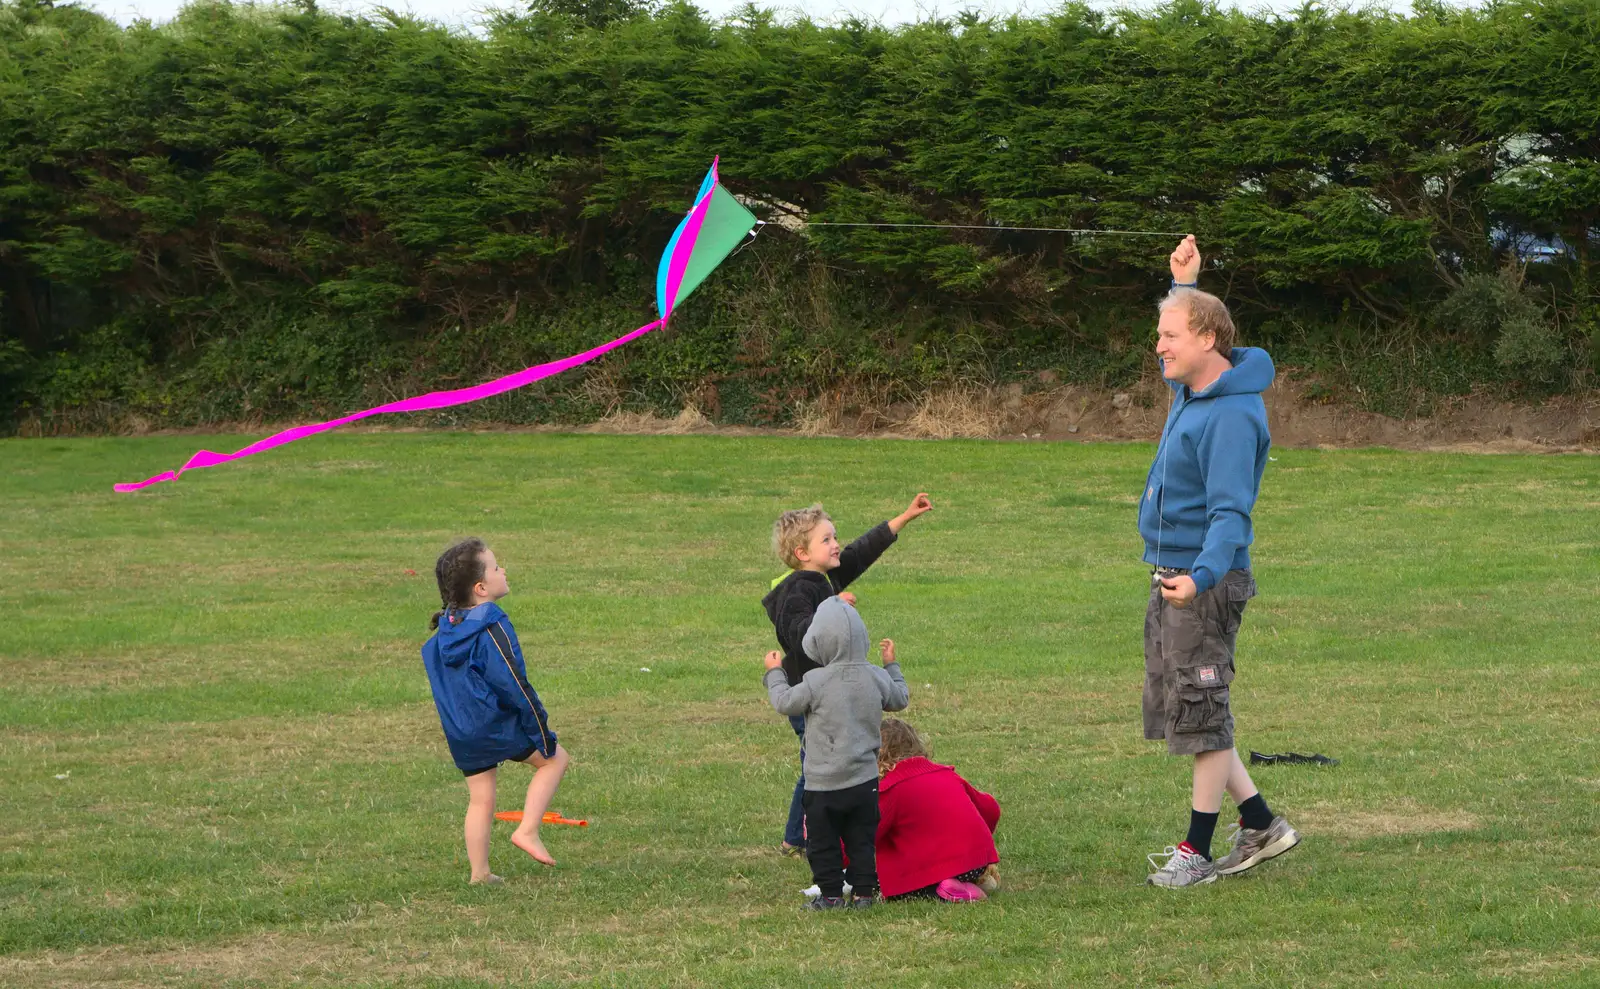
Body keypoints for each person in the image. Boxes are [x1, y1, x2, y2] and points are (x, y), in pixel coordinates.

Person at [1140, 236, 1301, 888]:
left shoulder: (1231, 415)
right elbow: (1177, 360)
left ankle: (1195, 850)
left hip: (1202, 581)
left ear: (1208, 339)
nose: (1159, 345)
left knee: (1204, 713)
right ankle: (1261, 823)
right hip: (1175, 575)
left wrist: (1199, 578)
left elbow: (1229, 515)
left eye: (1171, 333)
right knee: (1194, 707)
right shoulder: (1194, 391)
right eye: (1159, 333)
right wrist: (1184, 285)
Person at [761, 494, 933, 856]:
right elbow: (798, 633)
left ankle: (798, 835)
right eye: (826, 539)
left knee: (820, 763)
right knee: (819, 766)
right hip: (809, 695)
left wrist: (902, 518)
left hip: (829, 692)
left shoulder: (823, 576)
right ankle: (804, 836)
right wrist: (834, 607)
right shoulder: (797, 590)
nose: (837, 543)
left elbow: (861, 552)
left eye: (834, 536)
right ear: (801, 553)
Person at [421, 538, 571, 884]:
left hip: (460, 730)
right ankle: (528, 831)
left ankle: (480, 874)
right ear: (482, 587)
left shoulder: (447, 628)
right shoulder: (492, 625)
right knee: (554, 759)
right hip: (493, 723)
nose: (503, 570)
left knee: (481, 799)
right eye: (495, 566)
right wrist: (540, 728)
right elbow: (515, 684)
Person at [763, 598, 909, 908]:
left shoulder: (816, 681)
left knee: (822, 841)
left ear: (816, 641)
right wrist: (891, 666)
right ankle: (863, 893)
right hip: (864, 781)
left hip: (823, 783)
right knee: (861, 839)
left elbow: (784, 703)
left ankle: (830, 895)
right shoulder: (875, 676)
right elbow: (900, 698)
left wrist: (775, 673)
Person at [874, 717, 1000, 902]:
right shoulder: (945, 773)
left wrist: (834, 855)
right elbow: (990, 809)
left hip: (939, 868)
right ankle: (968, 881)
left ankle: (946, 890)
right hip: (975, 863)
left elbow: (866, 833)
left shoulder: (891, 789)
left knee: (883, 885)